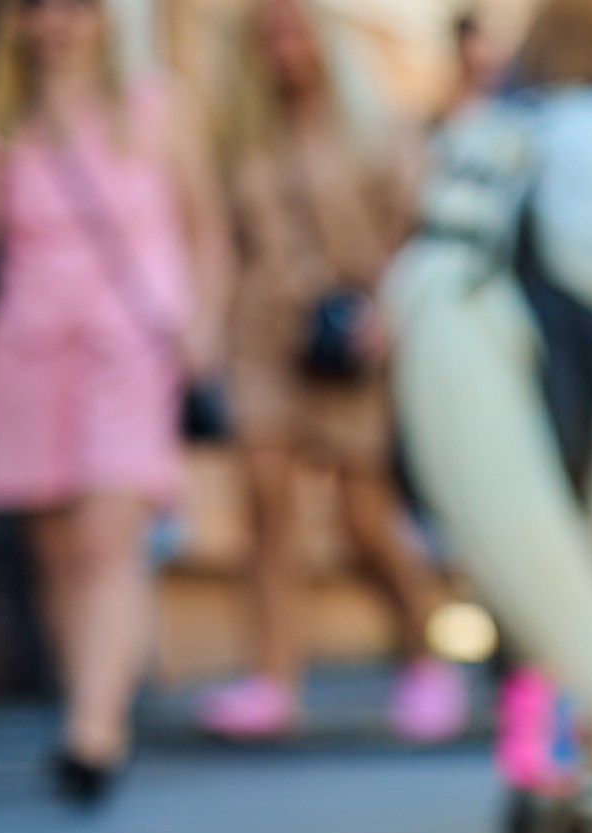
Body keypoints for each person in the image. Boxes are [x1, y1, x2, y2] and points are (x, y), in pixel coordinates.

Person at [0, 0, 227, 804]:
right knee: (54, 543)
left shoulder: (158, 107)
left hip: (129, 346)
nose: (57, 23)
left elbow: (206, 229)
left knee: (107, 531)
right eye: (38, 7)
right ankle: (89, 696)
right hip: (27, 350)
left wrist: (204, 322)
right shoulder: (2, 122)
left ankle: (95, 728)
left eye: (75, 6)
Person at [192, 0, 465, 745]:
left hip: (350, 334)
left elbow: (424, 230)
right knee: (266, 501)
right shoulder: (242, 134)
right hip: (266, 333)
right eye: (269, 35)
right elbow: (221, 238)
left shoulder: (378, 128)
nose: (283, 48)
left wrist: (390, 310)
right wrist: (204, 335)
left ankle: (424, 652)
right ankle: (274, 677)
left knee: (360, 519)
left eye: (294, 31)